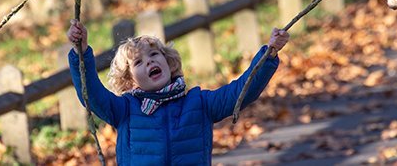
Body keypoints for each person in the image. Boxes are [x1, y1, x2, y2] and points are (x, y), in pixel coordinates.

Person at [67, 19, 289, 165]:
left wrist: (268, 54)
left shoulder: (199, 103)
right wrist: (81, 53)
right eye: (138, 62)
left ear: (168, 61)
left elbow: (239, 92)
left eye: (154, 55)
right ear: (130, 81)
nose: (149, 61)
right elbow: (92, 95)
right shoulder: (125, 110)